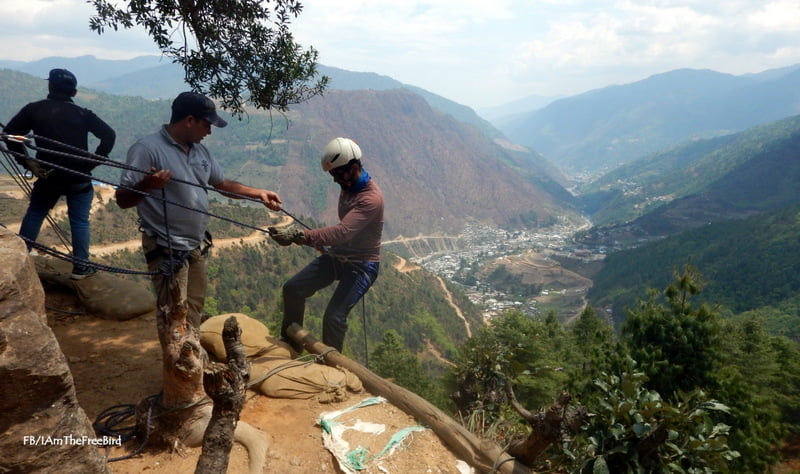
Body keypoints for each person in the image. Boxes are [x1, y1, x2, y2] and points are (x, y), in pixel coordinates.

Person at [116, 91, 282, 327]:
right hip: (167, 248)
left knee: (192, 310)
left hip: (195, 246)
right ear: (189, 120)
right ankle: (175, 362)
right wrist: (147, 184)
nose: (210, 131)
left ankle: (190, 358)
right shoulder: (146, 149)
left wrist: (258, 193)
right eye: (206, 124)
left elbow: (221, 184)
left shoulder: (200, 151)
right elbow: (122, 199)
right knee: (173, 315)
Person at [269, 137, 384, 353]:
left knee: (334, 317)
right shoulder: (348, 184)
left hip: (362, 265)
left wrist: (299, 235)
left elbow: (342, 232)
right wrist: (319, 241)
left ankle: (330, 367)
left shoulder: (371, 199)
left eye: (337, 174)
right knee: (293, 289)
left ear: (354, 167)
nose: (335, 180)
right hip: (339, 255)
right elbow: (342, 233)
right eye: (332, 175)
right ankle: (291, 344)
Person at [3, 68, 116, 279]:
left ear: (50, 86)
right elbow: (109, 135)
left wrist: (27, 162)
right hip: (78, 176)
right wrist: (93, 162)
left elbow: (10, 136)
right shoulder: (83, 114)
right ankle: (81, 268)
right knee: (80, 221)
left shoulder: (34, 110)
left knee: (36, 211)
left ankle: (19, 260)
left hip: (49, 176)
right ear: (73, 93)